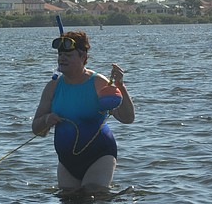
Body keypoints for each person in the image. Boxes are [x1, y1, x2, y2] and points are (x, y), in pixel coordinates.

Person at [32, 30, 135, 191]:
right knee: (69, 203)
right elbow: (37, 130)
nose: (62, 58)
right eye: (60, 55)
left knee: (92, 194)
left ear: (83, 58)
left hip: (99, 155)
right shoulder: (53, 86)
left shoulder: (98, 82)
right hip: (67, 161)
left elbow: (127, 118)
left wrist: (120, 85)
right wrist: (46, 120)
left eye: (69, 55)